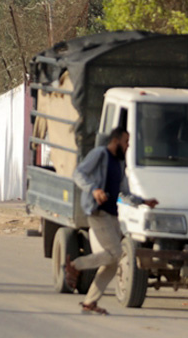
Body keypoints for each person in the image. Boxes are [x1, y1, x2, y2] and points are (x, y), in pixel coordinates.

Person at [64, 128, 158, 315]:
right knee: (116, 254)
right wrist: (94, 190)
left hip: (111, 215)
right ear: (116, 140)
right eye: (126, 141)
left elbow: (123, 191)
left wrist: (143, 202)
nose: (128, 145)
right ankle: (75, 265)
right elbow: (79, 174)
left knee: (113, 262)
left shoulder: (118, 162)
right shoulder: (100, 154)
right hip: (98, 212)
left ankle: (90, 302)